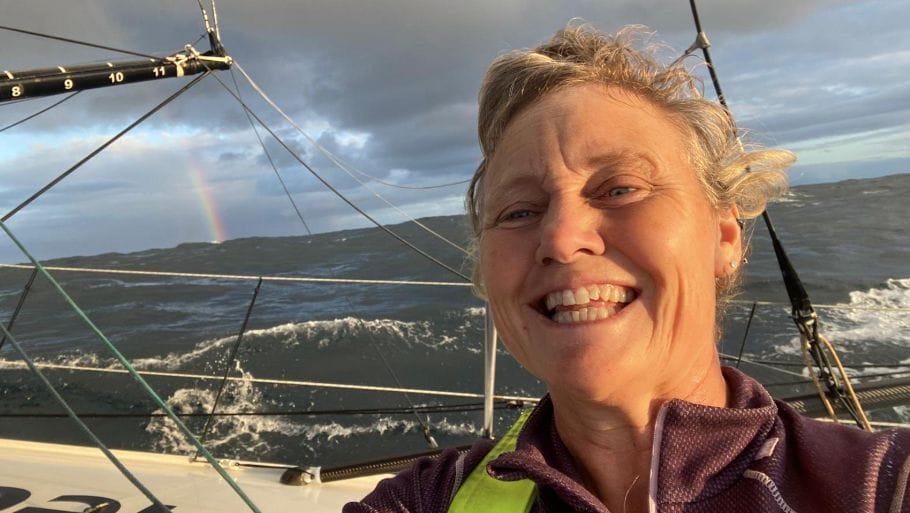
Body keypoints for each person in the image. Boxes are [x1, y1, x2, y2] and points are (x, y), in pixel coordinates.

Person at [345, 24, 910, 513]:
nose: (562, 240)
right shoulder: (426, 501)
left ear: (724, 236)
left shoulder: (883, 484)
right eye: (518, 211)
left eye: (619, 188)